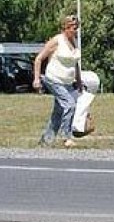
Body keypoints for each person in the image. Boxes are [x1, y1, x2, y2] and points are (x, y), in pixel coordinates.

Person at [33, 15, 82, 147]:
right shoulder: (57, 41)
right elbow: (39, 59)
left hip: (68, 82)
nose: (76, 31)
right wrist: (36, 79)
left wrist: (79, 81)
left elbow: (75, 63)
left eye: (77, 28)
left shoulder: (74, 42)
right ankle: (67, 137)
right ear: (65, 28)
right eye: (73, 28)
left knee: (59, 112)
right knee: (69, 104)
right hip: (54, 79)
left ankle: (45, 142)